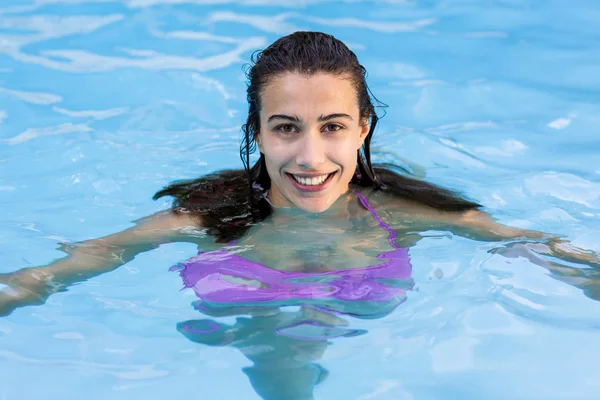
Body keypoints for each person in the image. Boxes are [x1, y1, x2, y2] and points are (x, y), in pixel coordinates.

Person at [0, 30, 598, 334]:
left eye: (332, 126)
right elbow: (88, 258)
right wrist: (25, 286)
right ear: (257, 132)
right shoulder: (211, 216)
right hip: (255, 330)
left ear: (363, 129)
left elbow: (530, 243)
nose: (310, 158)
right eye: (286, 127)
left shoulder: (404, 210)